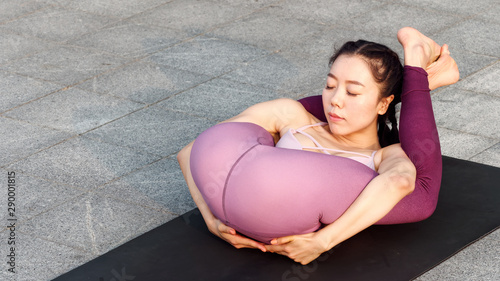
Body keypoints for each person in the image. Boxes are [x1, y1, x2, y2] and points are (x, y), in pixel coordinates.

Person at [177, 27, 459, 265]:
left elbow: (399, 181)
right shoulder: (292, 116)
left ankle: (417, 66)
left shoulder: (384, 156)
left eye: (352, 92)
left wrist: (322, 242)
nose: (335, 100)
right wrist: (211, 220)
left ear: (384, 103)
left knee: (418, 194)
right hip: (235, 212)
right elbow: (192, 151)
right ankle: (417, 81)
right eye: (329, 85)